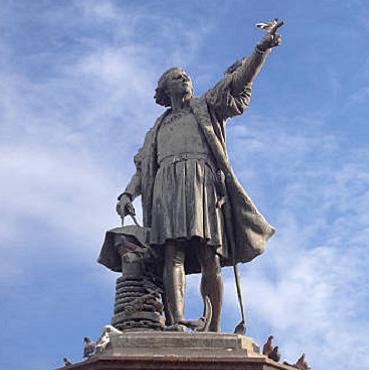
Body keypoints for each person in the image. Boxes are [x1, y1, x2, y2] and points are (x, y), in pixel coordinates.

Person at [115, 28, 281, 332]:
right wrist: (127, 194)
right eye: (177, 77)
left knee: (210, 254)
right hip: (166, 186)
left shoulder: (205, 107)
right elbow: (143, 169)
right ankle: (176, 320)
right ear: (165, 90)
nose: (185, 79)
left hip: (202, 182)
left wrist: (261, 51)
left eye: (187, 76)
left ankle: (213, 326)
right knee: (172, 253)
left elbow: (237, 81)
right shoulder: (157, 130)